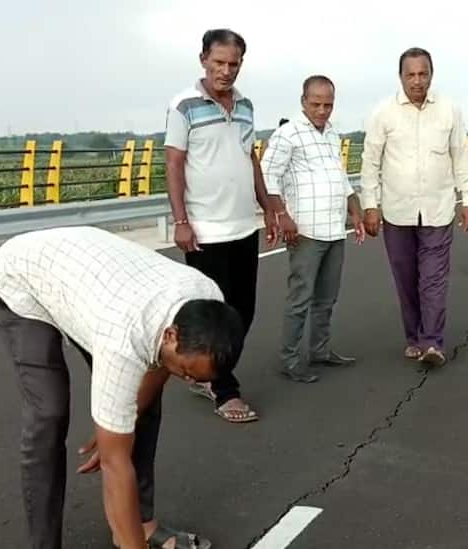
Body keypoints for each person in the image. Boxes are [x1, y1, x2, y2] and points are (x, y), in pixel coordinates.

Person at [0, 226, 246, 549]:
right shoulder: (123, 338)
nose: (191, 381)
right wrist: (114, 444)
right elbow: (114, 465)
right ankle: (44, 544)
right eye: (188, 371)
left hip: (93, 283)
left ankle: (141, 525)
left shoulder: (208, 301)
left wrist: (120, 424)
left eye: (199, 379)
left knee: (143, 410)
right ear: (171, 335)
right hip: (22, 280)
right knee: (48, 413)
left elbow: (160, 370)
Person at [164, 28, 277, 423]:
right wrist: (181, 221)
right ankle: (226, 391)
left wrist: (270, 208)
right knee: (218, 316)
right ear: (203, 60)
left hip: (244, 225)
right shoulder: (184, 105)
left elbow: (251, 160)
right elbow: (174, 163)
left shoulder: (245, 105)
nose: (226, 71)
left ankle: (204, 372)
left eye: (233, 64)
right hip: (206, 230)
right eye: (219, 63)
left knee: (244, 312)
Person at [360, 47, 468, 367]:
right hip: (397, 211)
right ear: (400, 77)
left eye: (422, 73)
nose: (417, 81)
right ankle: (413, 336)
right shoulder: (383, 112)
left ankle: (432, 342)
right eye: (410, 74)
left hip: (438, 209)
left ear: (431, 74)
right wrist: (370, 206)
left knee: (433, 278)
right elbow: (370, 162)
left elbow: (461, 157)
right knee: (406, 277)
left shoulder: (449, 110)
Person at [261, 75, 365, 383]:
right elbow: (267, 176)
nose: (322, 110)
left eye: (328, 104)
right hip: (305, 230)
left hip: (334, 228)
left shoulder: (332, 134)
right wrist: (282, 215)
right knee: (300, 299)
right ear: (303, 101)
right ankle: (290, 359)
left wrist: (355, 211)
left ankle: (319, 350)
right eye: (316, 104)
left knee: (327, 298)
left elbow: (341, 178)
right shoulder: (288, 134)